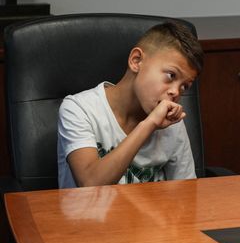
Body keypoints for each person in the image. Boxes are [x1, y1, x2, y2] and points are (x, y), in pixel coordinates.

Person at [57, 21, 203, 188]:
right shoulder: (79, 109)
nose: (176, 92)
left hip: (152, 214)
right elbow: (90, 183)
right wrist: (149, 124)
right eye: (171, 76)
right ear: (136, 60)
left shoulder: (172, 123)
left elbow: (186, 195)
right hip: (88, 214)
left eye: (184, 86)